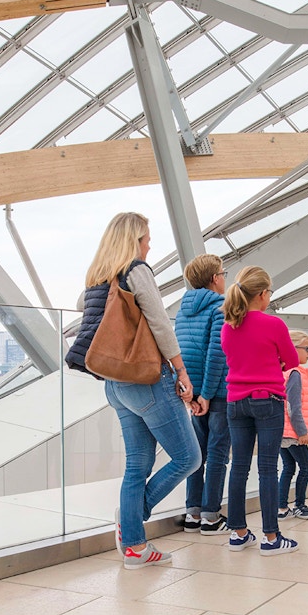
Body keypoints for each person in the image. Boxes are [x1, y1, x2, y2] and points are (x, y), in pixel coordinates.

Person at [71, 212, 200, 570]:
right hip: (147, 380)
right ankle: (131, 523)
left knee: (137, 467)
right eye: (145, 238)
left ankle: (135, 549)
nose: (149, 244)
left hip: (115, 384)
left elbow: (84, 306)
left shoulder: (98, 276)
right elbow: (159, 321)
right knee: (189, 458)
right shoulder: (137, 270)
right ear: (133, 240)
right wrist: (181, 369)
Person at [220, 266, 301, 556]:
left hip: (235, 402)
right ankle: (271, 538)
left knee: (239, 467)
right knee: (268, 467)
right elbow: (291, 360)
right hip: (268, 401)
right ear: (263, 294)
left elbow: (234, 359)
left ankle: (239, 534)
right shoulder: (274, 325)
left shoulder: (228, 326)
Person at [175, 254, 232, 535]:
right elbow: (216, 355)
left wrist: (193, 395)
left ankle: (192, 514)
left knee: (197, 455)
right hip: (216, 393)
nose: (225, 277)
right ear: (214, 278)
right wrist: (208, 394)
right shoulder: (220, 307)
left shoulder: (183, 309)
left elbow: (180, 353)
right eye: (223, 272)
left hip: (193, 395)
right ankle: (211, 517)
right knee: (218, 453)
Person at [278, 330, 308, 521]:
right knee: (307, 466)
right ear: (293, 348)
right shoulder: (295, 374)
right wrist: (302, 432)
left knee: (288, 467)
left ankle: (281, 507)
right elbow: (293, 407)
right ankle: (299, 504)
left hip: (282, 431)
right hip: (293, 433)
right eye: (307, 348)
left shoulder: (283, 371)